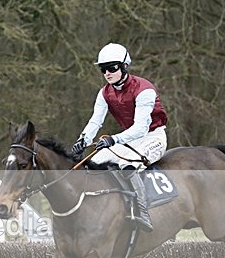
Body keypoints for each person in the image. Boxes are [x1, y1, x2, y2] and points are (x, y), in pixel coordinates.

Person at [70, 43, 168, 232]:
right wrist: (83, 140)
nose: (107, 73)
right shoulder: (104, 93)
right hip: (129, 141)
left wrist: (113, 140)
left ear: (124, 67)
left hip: (152, 138)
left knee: (127, 166)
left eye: (112, 68)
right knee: (92, 164)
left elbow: (141, 128)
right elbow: (95, 122)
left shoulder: (144, 89)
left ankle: (142, 212)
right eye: (103, 69)